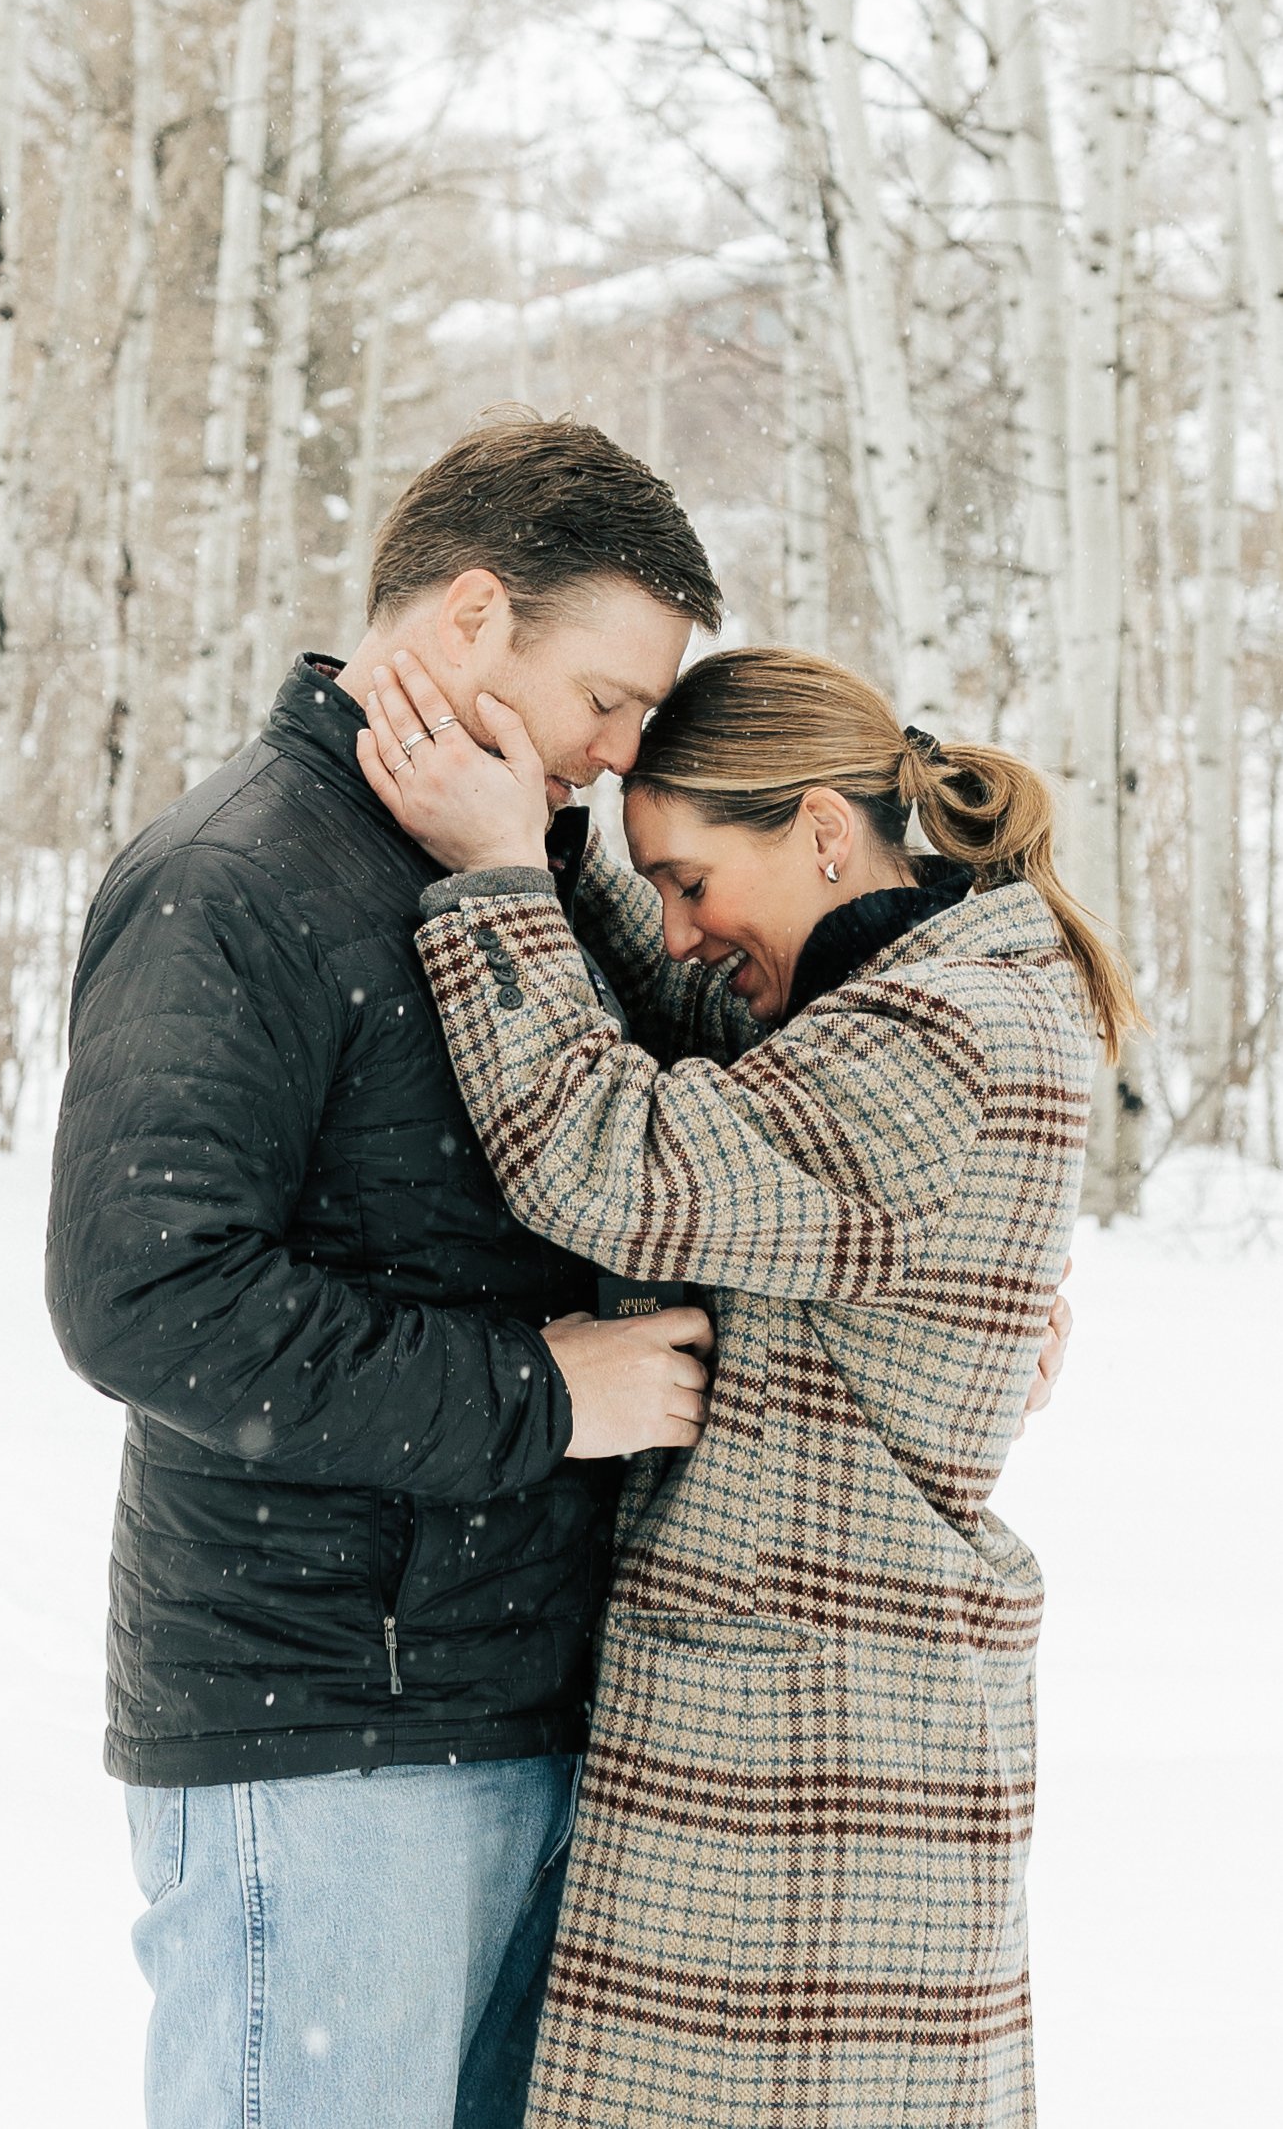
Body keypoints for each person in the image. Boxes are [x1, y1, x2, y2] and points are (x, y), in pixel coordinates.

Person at [45, 415, 727, 2129]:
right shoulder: (238, 879)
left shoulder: (534, 877)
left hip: (527, 1702)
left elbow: (681, 1154)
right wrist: (540, 1394)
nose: (624, 754)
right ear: (475, 615)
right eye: (611, 698)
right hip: (329, 1735)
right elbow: (145, 1288)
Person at [357, 642, 1116, 2128]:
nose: (682, 930)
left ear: (824, 832)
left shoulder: (940, 1036)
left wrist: (503, 874)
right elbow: (702, 1040)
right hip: (829, 1746)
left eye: (691, 881)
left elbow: (615, 1154)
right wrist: (553, 839)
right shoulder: (900, 996)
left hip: (818, 1777)